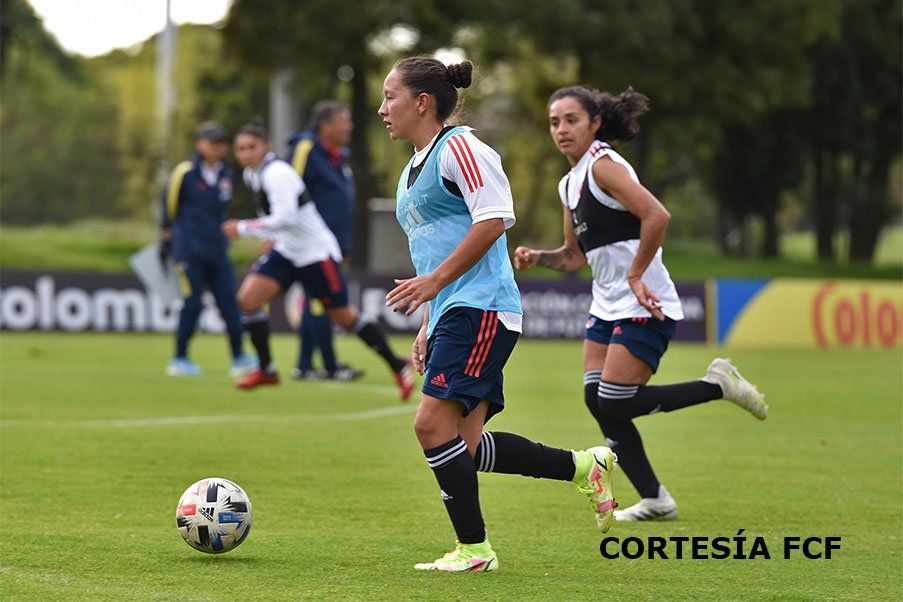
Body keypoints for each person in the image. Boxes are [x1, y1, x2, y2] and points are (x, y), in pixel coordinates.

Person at [380, 57, 618, 573]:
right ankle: (584, 466)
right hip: (454, 311)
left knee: (430, 427)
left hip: (481, 306)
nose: (383, 109)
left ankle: (475, 550)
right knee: (462, 448)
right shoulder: (412, 168)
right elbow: (433, 251)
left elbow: (493, 220)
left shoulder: (461, 148)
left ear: (423, 102)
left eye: (390, 96)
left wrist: (436, 285)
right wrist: (428, 321)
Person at [513, 86, 769, 522]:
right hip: (606, 305)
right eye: (554, 122)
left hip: (643, 300)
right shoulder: (568, 183)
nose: (561, 130)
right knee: (597, 400)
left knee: (614, 402)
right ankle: (656, 500)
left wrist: (635, 274)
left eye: (571, 120)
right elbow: (574, 256)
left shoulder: (604, 165)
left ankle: (719, 385)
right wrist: (539, 257)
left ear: (595, 123)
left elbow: (657, 215)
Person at [222, 120, 415, 399]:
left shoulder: (276, 173)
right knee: (248, 299)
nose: (246, 154)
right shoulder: (252, 174)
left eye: (252, 147)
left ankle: (397, 365)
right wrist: (270, 237)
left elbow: (286, 217)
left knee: (343, 316)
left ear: (267, 147)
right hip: (288, 251)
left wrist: (242, 228)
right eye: (240, 149)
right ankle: (267, 370)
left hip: (316, 254)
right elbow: (278, 219)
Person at [159, 121, 256, 377]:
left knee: (230, 304)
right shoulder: (185, 172)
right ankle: (180, 358)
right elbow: (168, 207)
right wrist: (167, 241)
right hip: (189, 251)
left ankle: (239, 357)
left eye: (221, 143)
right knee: (191, 305)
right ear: (199, 143)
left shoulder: (226, 173)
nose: (216, 147)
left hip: (218, 251)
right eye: (211, 142)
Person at [286, 100, 363, 382]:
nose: (350, 126)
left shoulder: (339, 156)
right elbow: (287, 189)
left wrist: (345, 245)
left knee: (318, 303)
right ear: (325, 125)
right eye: (345, 120)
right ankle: (327, 366)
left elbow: (340, 204)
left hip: (333, 244)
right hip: (311, 244)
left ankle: (305, 365)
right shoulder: (306, 149)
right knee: (322, 303)